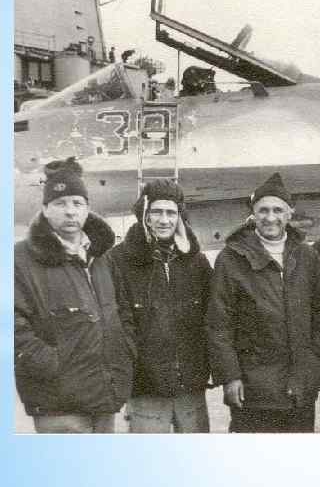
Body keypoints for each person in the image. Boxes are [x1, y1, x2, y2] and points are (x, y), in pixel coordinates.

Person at [14, 157, 134, 433]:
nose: (70, 212)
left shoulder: (101, 256)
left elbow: (122, 311)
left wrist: (124, 350)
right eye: (60, 203)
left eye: (77, 203)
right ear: (45, 209)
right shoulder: (20, 259)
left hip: (103, 399)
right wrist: (53, 365)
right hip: (58, 403)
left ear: (87, 209)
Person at [207, 173, 320, 433]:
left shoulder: (306, 256)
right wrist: (230, 376)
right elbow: (219, 324)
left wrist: (315, 365)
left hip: (299, 388)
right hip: (253, 389)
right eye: (263, 210)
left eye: (277, 210)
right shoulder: (231, 259)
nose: (270, 217)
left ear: (289, 213)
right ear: (253, 214)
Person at [109, 179, 213, 433]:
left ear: (179, 217)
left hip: (191, 387)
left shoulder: (197, 262)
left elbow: (213, 318)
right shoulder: (118, 261)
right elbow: (117, 325)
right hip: (145, 388)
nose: (164, 220)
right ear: (144, 215)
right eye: (157, 212)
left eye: (171, 213)